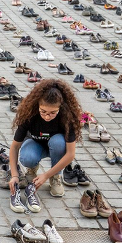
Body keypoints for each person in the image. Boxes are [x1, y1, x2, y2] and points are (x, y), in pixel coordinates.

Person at [8, 78, 81, 206]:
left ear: (60, 108)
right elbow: (14, 147)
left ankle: (55, 176)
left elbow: (70, 154)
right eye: (43, 112)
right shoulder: (29, 115)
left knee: (58, 142)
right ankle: (32, 169)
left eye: (53, 113)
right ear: (38, 106)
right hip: (35, 144)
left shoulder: (67, 118)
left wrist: (46, 175)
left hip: (57, 147)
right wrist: (14, 175)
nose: (47, 117)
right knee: (27, 157)